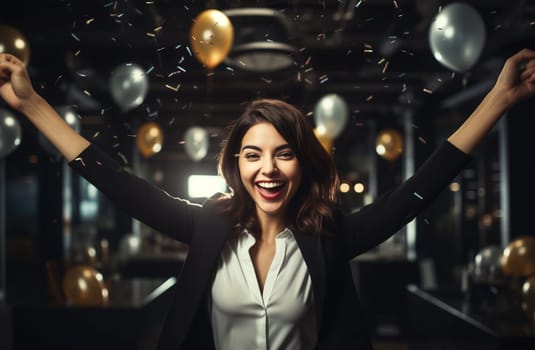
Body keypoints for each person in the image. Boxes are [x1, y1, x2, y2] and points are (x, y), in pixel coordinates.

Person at [0, 48, 534, 350]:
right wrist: (32, 106)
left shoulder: (328, 236)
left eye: (283, 154)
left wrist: (499, 99)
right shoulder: (210, 226)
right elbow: (119, 183)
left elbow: (418, 191)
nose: (268, 169)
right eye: (253, 155)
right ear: (236, 165)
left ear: (302, 163)